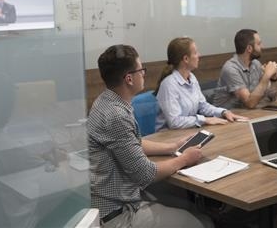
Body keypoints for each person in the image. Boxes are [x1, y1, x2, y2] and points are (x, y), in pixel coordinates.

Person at [87, 44, 212, 227]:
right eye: (141, 70)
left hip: (116, 201)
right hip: (118, 215)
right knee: (203, 222)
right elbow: (146, 174)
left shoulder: (106, 101)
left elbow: (133, 143)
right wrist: (184, 159)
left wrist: (173, 147)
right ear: (129, 78)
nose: (144, 74)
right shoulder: (116, 116)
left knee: (191, 208)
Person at [155, 37, 246, 131]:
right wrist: (204, 120)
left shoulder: (192, 78)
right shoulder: (169, 85)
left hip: (188, 131)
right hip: (167, 137)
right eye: (195, 53)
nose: (199, 55)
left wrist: (223, 112)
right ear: (186, 59)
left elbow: (202, 106)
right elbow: (174, 122)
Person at [213, 29, 277, 109]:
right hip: (227, 118)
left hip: (247, 115)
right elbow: (250, 103)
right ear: (249, 48)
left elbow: (273, 96)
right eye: (259, 44)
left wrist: (273, 79)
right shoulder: (230, 69)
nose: (262, 47)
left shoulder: (255, 64)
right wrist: (266, 76)